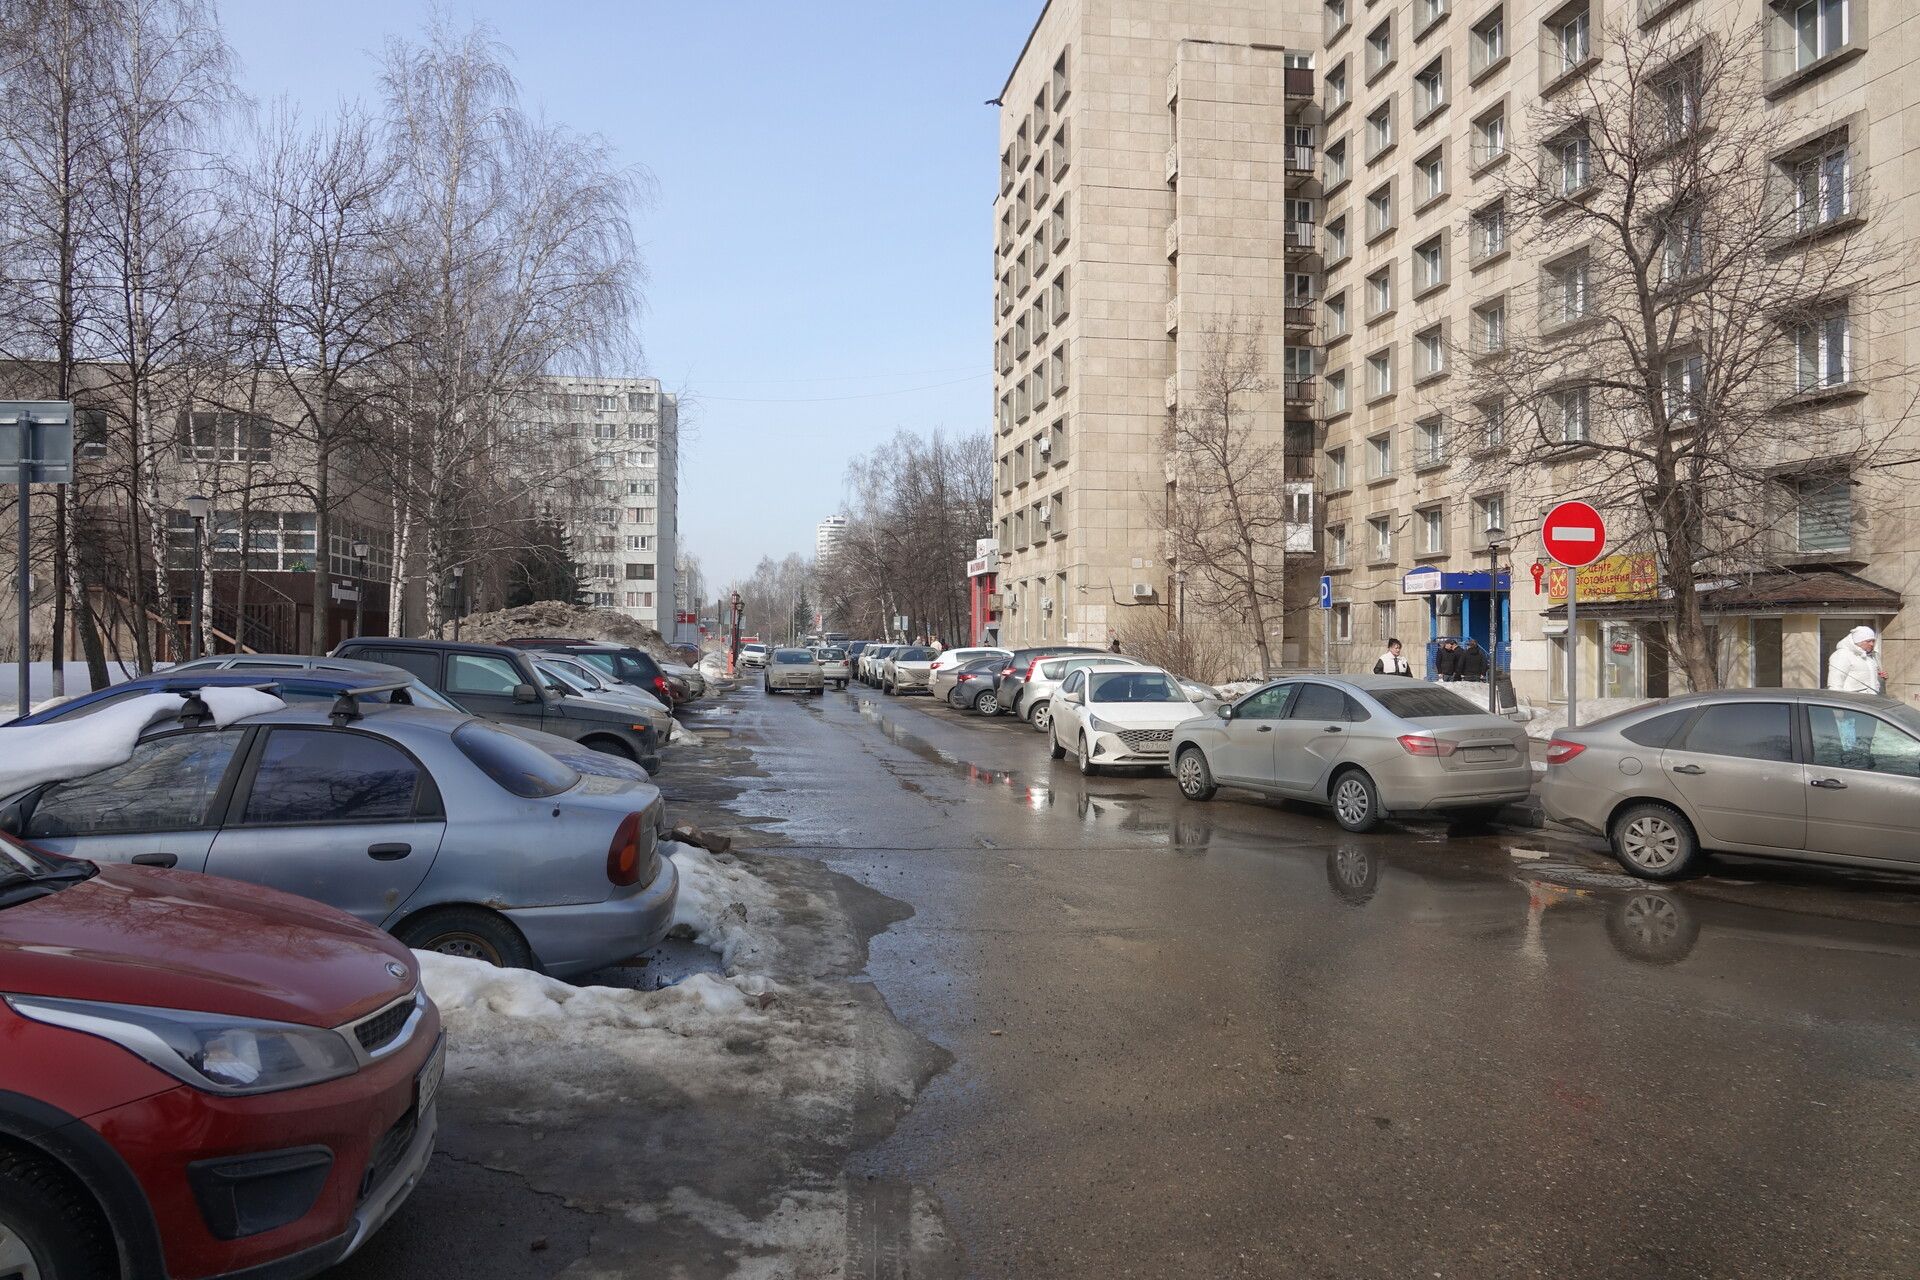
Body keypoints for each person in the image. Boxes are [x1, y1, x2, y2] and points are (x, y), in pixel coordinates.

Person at [1826, 625, 1884, 694]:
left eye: (1873, 641)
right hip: (1852, 699)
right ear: (1858, 641)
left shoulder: (1868, 656)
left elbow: (1867, 678)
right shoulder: (1842, 655)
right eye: (1868, 641)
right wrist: (1839, 700)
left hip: (1872, 698)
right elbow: (1835, 685)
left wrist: (1879, 677)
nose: (1872, 644)